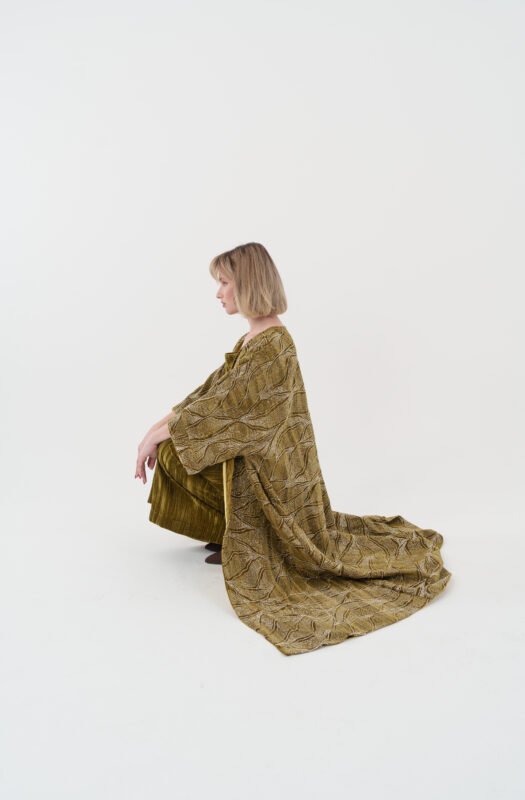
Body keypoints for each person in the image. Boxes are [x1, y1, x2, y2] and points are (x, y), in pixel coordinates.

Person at [135, 242, 452, 656]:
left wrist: (161, 436)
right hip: (257, 464)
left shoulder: (272, 345)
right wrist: (155, 430)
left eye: (225, 283)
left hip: (277, 479)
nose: (218, 293)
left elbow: (229, 412)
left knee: (178, 449)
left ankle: (253, 539)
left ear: (247, 284)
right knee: (176, 449)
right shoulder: (253, 340)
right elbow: (208, 395)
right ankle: (231, 534)